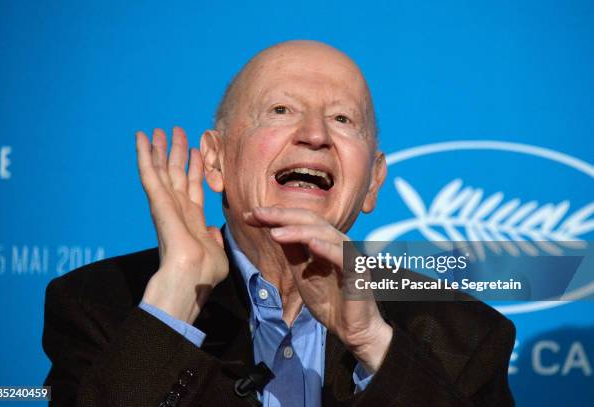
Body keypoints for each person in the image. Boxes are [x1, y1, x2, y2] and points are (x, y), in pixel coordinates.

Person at [42, 40, 515, 406]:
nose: (314, 135)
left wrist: (373, 345)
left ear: (372, 182)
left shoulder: (460, 331)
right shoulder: (102, 306)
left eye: (343, 118)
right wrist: (174, 301)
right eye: (280, 110)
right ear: (216, 161)